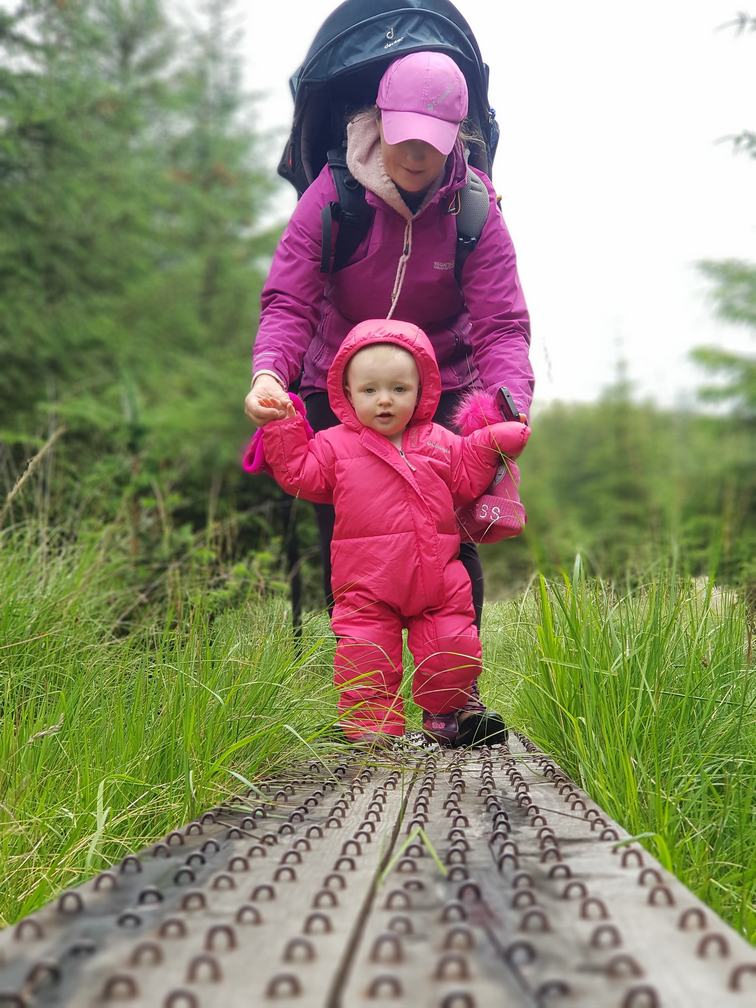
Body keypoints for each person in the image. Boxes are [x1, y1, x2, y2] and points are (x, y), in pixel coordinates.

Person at [244, 50, 533, 629]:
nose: (417, 155)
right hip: (340, 385)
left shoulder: (474, 208)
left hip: (442, 384)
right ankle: (364, 682)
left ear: (457, 135)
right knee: (352, 536)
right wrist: (270, 373)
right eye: (405, 137)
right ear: (379, 121)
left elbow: (501, 323)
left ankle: (451, 679)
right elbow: (290, 299)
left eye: (432, 140)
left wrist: (506, 405)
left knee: (451, 541)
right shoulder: (334, 195)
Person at [247, 318, 529, 747]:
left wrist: (492, 441)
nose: (384, 400)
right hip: (365, 585)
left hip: (438, 580)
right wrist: (283, 425)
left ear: (422, 390)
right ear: (347, 393)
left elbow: (467, 475)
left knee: (453, 649)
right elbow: (299, 473)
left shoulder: (439, 440)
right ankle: (371, 730)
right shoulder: (333, 445)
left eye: (399, 388)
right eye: (369, 390)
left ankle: (446, 713)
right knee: (365, 658)